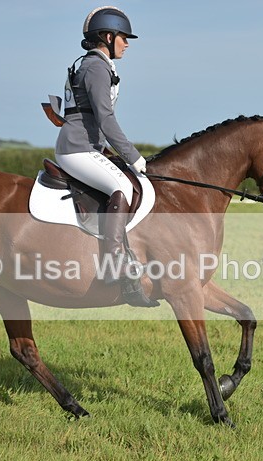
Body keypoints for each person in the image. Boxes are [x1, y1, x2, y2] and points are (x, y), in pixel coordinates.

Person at [55, 6, 154, 306]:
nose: (127, 44)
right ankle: (114, 263)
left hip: (87, 146)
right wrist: (133, 156)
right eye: (123, 38)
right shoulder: (96, 67)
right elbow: (105, 118)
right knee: (122, 186)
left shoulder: (95, 65)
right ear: (108, 37)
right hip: (78, 148)